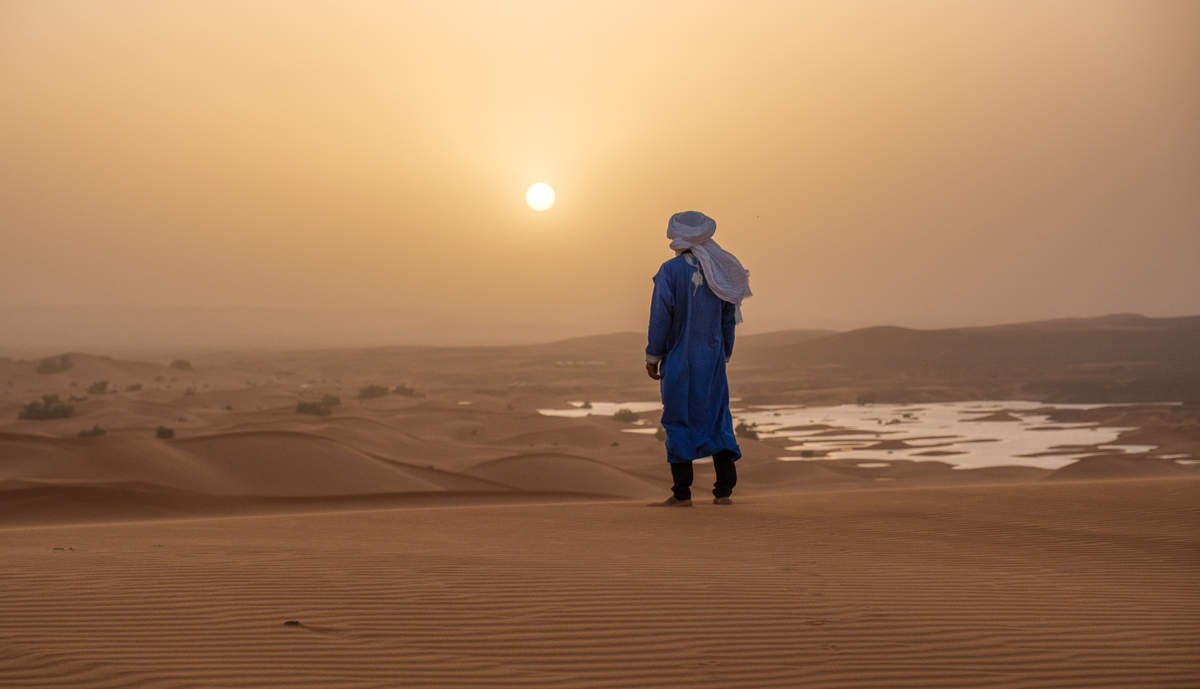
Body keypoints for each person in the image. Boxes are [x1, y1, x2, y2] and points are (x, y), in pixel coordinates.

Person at [645, 210, 752, 506]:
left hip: (680, 359)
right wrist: (724, 352)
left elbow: (660, 318)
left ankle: (682, 494)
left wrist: (653, 356)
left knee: (679, 419)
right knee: (717, 418)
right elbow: (728, 318)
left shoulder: (670, 271)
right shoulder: (722, 272)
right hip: (712, 359)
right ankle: (724, 492)